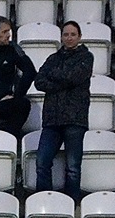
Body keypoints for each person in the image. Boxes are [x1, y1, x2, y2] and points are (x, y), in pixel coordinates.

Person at [35, 21, 94, 203]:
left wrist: (54, 77)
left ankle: (71, 203)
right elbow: (39, 81)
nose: (69, 38)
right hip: (52, 119)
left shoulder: (86, 57)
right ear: (61, 37)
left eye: (73, 34)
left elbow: (74, 77)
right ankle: (43, 201)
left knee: (73, 167)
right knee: (42, 162)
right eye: (66, 34)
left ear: (79, 37)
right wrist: (63, 80)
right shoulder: (53, 58)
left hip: (75, 119)